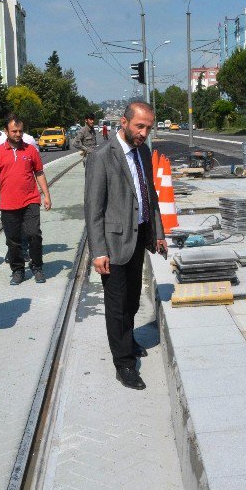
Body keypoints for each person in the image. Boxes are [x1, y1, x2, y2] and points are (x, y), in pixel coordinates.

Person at [84, 101, 166, 391]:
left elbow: (150, 195)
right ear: (124, 122)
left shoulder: (143, 151)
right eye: (139, 126)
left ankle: (128, 337)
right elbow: (93, 209)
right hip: (114, 242)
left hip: (138, 236)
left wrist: (157, 231)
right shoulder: (102, 156)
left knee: (132, 298)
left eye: (148, 128)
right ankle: (124, 364)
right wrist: (98, 251)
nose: (143, 132)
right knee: (117, 305)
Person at [0, 116, 52, 285]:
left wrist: (46, 195)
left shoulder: (31, 150)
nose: (18, 134)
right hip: (8, 204)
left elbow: (39, 173)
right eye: (14, 131)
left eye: (20, 131)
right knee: (12, 240)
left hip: (30, 200)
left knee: (33, 234)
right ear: (6, 131)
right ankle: (18, 270)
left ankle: (37, 267)